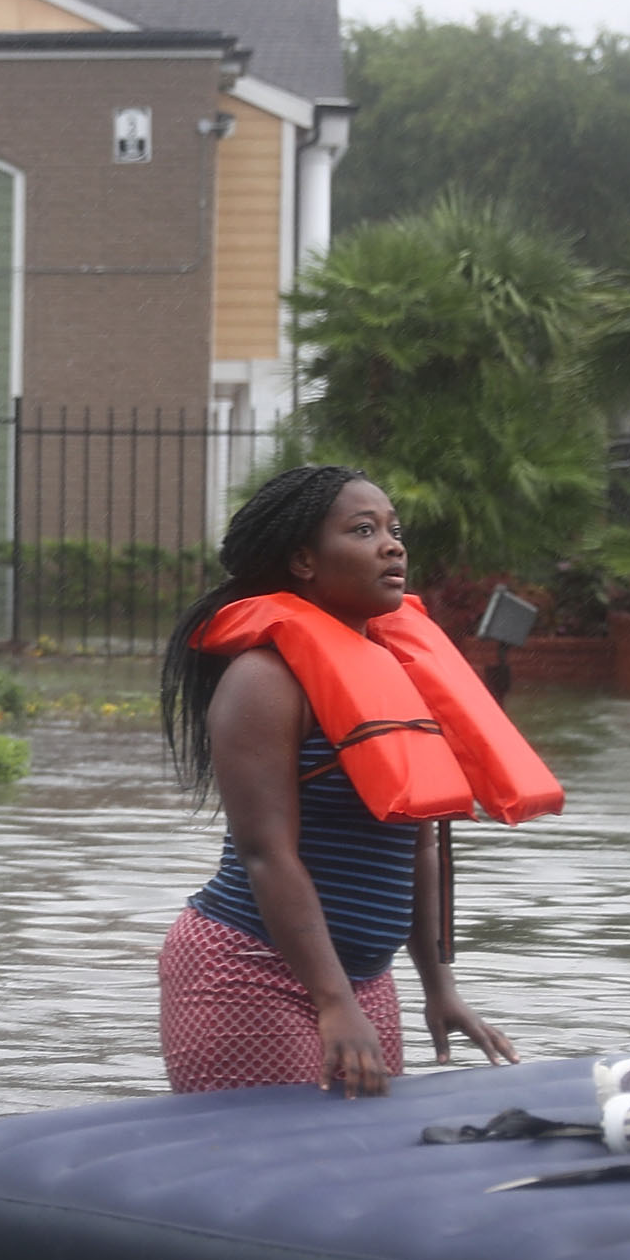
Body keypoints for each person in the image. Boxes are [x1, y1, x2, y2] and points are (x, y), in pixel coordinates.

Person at [157, 463, 558, 1095]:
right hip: (252, 972)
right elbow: (267, 854)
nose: (392, 545)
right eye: (364, 530)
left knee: (360, 1172)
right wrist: (330, 1000)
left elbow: (422, 844)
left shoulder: (399, 671)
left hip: (366, 982)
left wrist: (438, 987)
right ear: (303, 560)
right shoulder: (263, 680)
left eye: (395, 530)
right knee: (272, 1180)